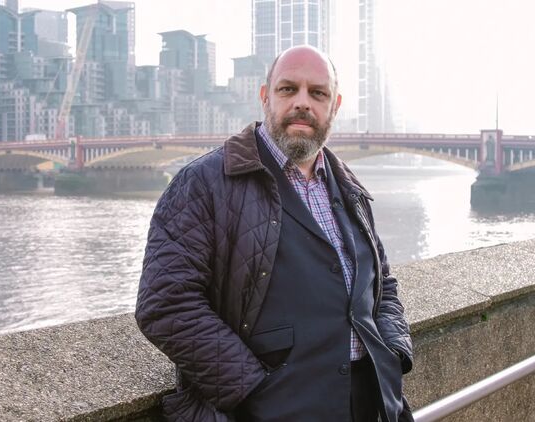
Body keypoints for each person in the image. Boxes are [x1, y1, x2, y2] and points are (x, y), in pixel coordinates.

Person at [136, 46, 413, 422]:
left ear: (334, 106)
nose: (303, 103)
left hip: (372, 407)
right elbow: (166, 303)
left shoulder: (350, 190)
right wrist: (254, 391)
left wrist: (393, 351)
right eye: (288, 89)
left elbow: (383, 286)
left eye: (318, 93)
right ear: (265, 96)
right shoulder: (204, 183)